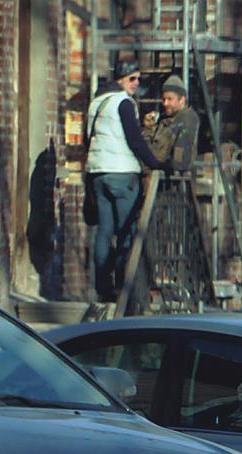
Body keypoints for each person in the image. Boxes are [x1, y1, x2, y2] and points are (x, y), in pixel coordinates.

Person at [85, 60, 167, 302]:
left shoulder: (96, 103)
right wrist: (155, 163)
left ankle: (102, 288)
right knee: (127, 232)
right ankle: (124, 288)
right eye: (132, 79)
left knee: (104, 231)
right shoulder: (123, 102)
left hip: (98, 173)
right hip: (121, 173)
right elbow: (135, 139)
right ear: (121, 79)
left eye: (138, 79)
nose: (136, 83)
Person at [142, 74, 200, 174]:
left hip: (171, 181)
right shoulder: (164, 119)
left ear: (182, 99)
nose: (165, 103)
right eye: (163, 99)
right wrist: (148, 128)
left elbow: (180, 160)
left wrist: (166, 167)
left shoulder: (187, 119)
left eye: (170, 99)